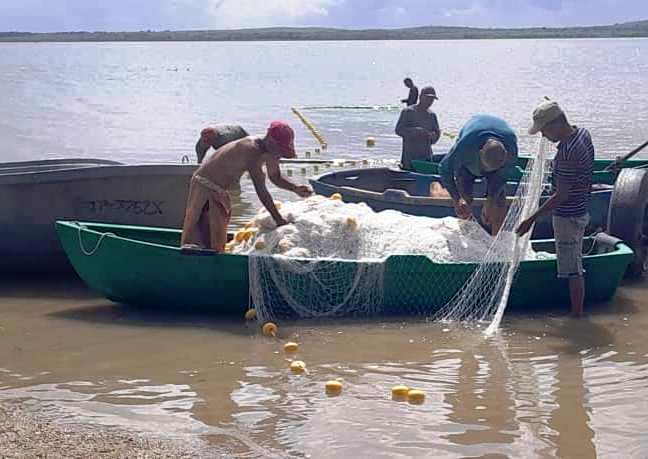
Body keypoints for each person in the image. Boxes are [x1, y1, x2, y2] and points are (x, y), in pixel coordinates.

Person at [181, 121, 312, 252]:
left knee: (217, 236)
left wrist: (295, 188)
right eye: (279, 151)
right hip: (205, 184)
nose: (279, 155)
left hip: (219, 189)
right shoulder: (251, 150)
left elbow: (275, 177)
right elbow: (261, 191)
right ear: (270, 141)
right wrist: (279, 220)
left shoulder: (271, 152)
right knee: (202, 238)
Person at [517, 101, 594, 317]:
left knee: (572, 269)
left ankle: (577, 317)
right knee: (574, 261)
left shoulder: (568, 151)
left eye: (544, 130)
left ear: (557, 124)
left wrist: (531, 219)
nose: (543, 136)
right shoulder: (583, 133)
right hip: (582, 208)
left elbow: (561, 195)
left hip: (569, 216)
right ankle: (577, 313)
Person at [439, 114, 518, 235]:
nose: (486, 171)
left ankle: (496, 237)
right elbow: (444, 169)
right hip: (468, 164)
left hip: (497, 170)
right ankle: (466, 233)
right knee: (465, 200)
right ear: (480, 152)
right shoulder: (465, 145)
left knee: (499, 201)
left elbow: (503, 176)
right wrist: (456, 198)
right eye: (485, 167)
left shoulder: (511, 146)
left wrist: (490, 200)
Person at [395, 86, 440, 170]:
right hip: (409, 158)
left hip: (426, 157)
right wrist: (415, 131)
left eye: (432, 99)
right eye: (427, 98)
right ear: (420, 97)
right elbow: (398, 130)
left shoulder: (432, 115)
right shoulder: (408, 112)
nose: (430, 101)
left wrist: (433, 136)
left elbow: (436, 135)